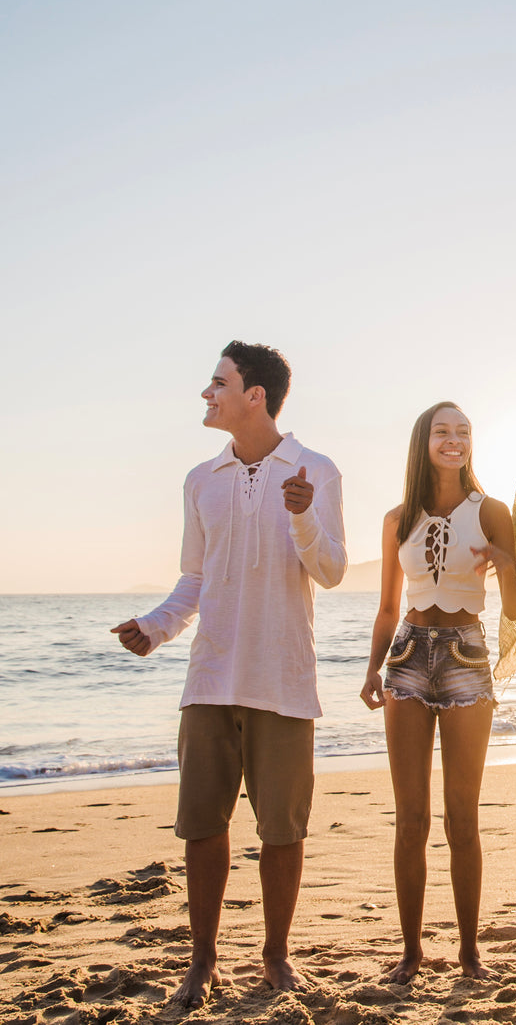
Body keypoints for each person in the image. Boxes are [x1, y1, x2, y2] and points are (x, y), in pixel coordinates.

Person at [110, 340, 347, 1007]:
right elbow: (195, 579)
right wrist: (154, 628)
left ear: (255, 397)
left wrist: (301, 516)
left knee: (283, 831)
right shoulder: (200, 480)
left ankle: (276, 957)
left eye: (218, 382)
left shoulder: (316, 470)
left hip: (283, 681)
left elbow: (330, 570)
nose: (206, 393)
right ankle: (203, 960)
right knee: (202, 826)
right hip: (210, 680)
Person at [360, 402, 516, 984]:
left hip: (466, 655)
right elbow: (385, 606)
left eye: (463, 433)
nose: (454, 441)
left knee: (462, 816)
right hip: (406, 657)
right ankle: (411, 951)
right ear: (423, 442)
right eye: (442, 432)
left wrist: (506, 564)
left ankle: (470, 952)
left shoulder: (493, 511)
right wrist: (372, 668)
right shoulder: (397, 517)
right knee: (411, 818)